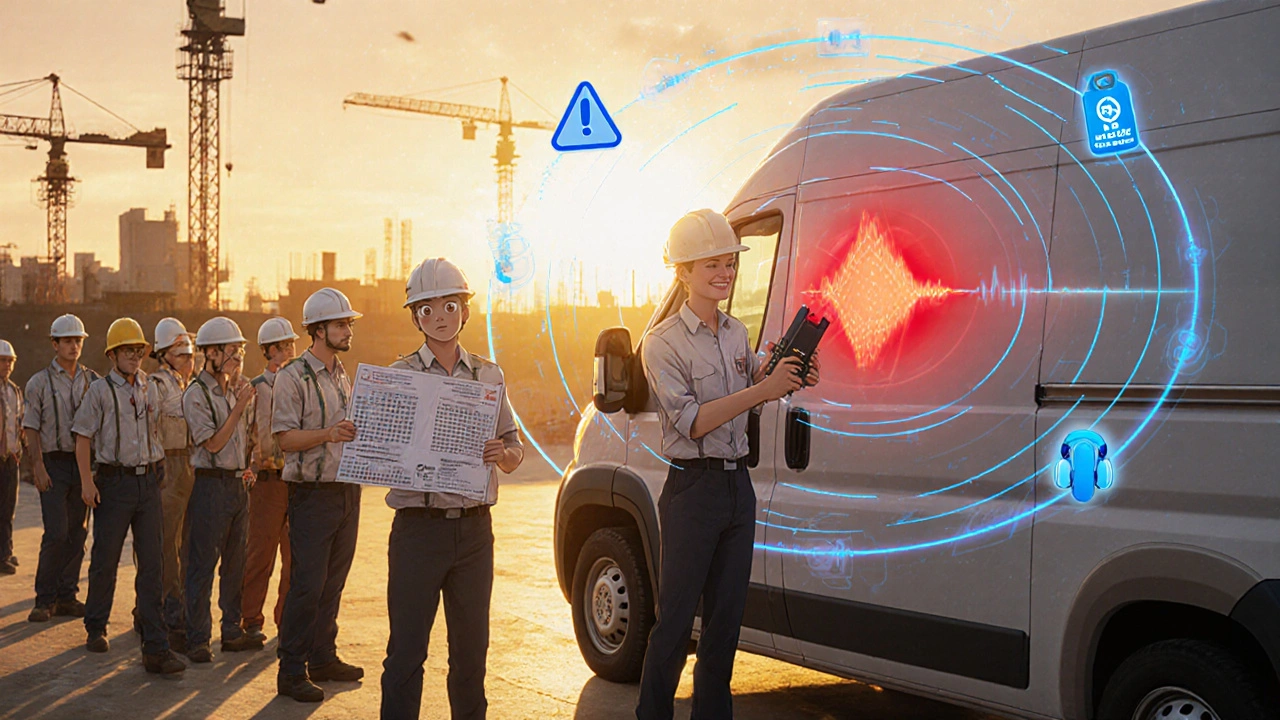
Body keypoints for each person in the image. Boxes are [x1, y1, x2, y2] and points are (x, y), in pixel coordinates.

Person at [635, 209, 819, 720]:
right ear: (683, 273)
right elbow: (692, 422)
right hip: (692, 492)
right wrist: (761, 388)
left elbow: (750, 399)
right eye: (712, 265)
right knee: (674, 625)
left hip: (739, 489)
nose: (724, 274)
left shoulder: (737, 333)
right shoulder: (661, 342)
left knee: (724, 626)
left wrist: (788, 376)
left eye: (730, 264)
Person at [380, 258, 525, 720]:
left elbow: (514, 447)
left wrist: (500, 455)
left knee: (470, 659)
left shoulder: (489, 376)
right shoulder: (398, 376)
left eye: (449, 305)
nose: (439, 316)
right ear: (415, 317)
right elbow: (380, 451)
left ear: (465, 310)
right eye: (426, 309)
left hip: (473, 535)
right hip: (417, 533)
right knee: (405, 657)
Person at [71, 318, 185, 675]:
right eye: (127, 351)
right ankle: (96, 626)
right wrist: (87, 482)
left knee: (153, 565)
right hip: (114, 483)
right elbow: (83, 438)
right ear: (113, 354)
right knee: (105, 559)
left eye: (138, 351)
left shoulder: (151, 387)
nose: (135, 357)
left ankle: (155, 645)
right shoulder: (100, 391)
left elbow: (166, 420)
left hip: (148, 482)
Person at [273, 288, 364, 703]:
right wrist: (328, 434)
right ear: (319, 329)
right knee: (306, 585)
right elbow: (285, 439)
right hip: (311, 495)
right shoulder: (292, 377)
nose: (348, 330)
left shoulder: (343, 373)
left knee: (333, 582)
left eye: (348, 324)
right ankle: (291, 671)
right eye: (342, 324)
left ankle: (322, 657)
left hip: (345, 491)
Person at [182, 317, 261, 662]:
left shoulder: (235, 389)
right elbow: (212, 443)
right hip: (210, 485)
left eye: (240, 350)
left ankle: (232, 631)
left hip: (236, 486)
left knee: (235, 563)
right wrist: (240, 407)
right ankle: (198, 637)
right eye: (232, 351)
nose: (238, 357)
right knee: (201, 564)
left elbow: (246, 437)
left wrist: (251, 463)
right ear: (210, 353)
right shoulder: (196, 394)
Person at [23, 314, 97, 621]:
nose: (73, 346)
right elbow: (30, 427)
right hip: (53, 463)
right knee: (56, 532)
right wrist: (37, 465)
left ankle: (67, 596)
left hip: (82, 465)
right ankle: (44, 599)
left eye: (77, 340)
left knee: (77, 533)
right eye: (67, 340)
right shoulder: (39, 382)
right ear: (55, 344)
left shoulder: (92, 381)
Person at [241, 316, 298, 644]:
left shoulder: (303, 385)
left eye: (292, 344)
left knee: (295, 558)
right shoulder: (255, 390)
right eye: (283, 346)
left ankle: (286, 619)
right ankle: (251, 620)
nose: (290, 350)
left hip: (296, 481)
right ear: (269, 351)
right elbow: (245, 435)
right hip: (265, 482)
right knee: (259, 555)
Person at [149, 317, 196, 651]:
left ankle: (174, 608)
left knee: (187, 545)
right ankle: (166, 612)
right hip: (167, 463)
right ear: (164, 354)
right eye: (181, 355)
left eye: (190, 355)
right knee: (164, 544)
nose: (188, 361)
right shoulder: (156, 385)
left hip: (192, 463)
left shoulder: (188, 385)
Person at [0, 340, 23, 575]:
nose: (7, 365)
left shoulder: (14, 391)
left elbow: (19, 423)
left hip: (10, 457)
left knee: (7, 508)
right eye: (3, 361)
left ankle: (4, 550)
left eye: (10, 361)